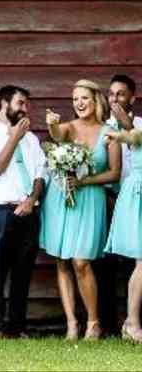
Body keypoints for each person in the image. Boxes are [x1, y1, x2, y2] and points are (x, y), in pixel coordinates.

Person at [40, 79, 121, 341]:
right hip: (61, 198)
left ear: (95, 100)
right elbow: (57, 135)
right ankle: (72, 324)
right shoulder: (68, 128)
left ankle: (93, 322)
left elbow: (114, 172)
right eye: (75, 99)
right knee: (62, 260)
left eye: (84, 98)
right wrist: (52, 122)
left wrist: (84, 180)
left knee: (81, 261)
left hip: (90, 200)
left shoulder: (109, 132)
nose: (79, 103)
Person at [0, 85, 45, 338]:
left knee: (23, 273)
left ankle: (17, 327)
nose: (25, 109)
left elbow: (39, 175)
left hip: (29, 213)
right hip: (0, 213)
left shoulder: (33, 139)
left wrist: (31, 200)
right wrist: (14, 137)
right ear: (4, 104)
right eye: (21, 103)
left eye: (26, 104)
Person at [96, 74, 141, 335]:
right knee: (107, 264)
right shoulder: (102, 129)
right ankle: (110, 323)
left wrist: (126, 130)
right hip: (109, 198)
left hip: (136, 198)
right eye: (111, 94)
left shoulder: (140, 126)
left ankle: (133, 319)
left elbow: (135, 141)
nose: (114, 99)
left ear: (131, 97)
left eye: (120, 94)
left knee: (136, 262)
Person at [104, 128, 142, 342]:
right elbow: (134, 137)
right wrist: (118, 136)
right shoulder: (139, 131)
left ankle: (131, 322)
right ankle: (132, 323)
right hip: (138, 198)